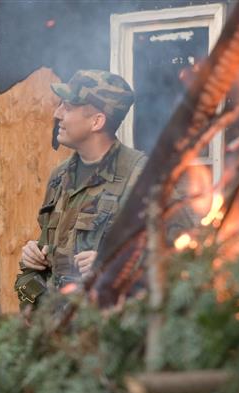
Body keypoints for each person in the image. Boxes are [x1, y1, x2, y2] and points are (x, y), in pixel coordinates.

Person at [15, 70, 150, 307]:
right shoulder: (60, 176)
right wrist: (33, 259)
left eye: (67, 107)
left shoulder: (141, 176)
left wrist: (116, 267)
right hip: (60, 331)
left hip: (112, 334)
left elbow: (181, 258)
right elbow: (48, 260)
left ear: (97, 121)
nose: (57, 114)